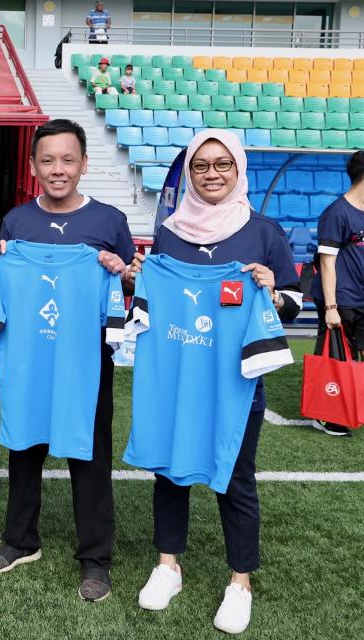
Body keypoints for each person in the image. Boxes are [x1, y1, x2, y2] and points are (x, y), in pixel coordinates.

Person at [127, 129, 302, 635]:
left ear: (239, 168)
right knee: (169, 471)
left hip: (236, 382)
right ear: (188, 173)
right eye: (201, 165)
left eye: (223, 164)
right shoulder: (170, 232)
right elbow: (155, 299)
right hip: (178, 375)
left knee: (237, 479)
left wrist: (273, 289)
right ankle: (168, 567)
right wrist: (141, 279)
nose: (212, 173)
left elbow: (292, 305)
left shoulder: (264, 232)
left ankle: (239, 582)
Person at [0, 119, 133, 603]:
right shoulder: (17, 222)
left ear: (84, 163)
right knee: (24, 449)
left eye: (68, 160)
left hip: (86, 362)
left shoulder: (109, 221)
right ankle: (20, 540)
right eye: (47, 160)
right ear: (33, 166)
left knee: (90, 456)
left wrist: (121, 273)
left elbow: (130, 290)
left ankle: (95, 558)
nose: (58, 169)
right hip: (30, 360)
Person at [309, 149, 364, 437]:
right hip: (340, 297)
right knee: (336, 357)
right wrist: (331, 307)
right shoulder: (336, 213)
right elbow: (327, 263)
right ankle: (326, 414)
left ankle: (353, 404)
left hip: (361, 295)